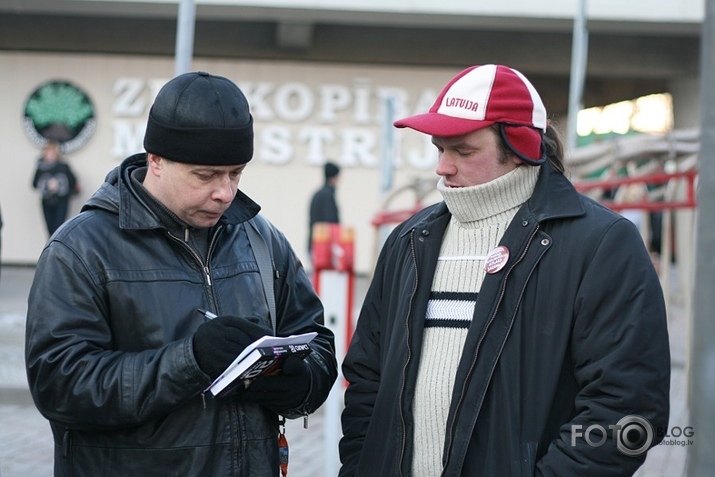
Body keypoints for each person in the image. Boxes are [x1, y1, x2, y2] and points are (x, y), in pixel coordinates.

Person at [339, 64, 670, 476]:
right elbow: (366, 380)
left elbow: (626, 406)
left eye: (463, 151)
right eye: (439, 149)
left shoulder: (602, 245)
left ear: (520, 148)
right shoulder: (409, 240)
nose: (443, 167)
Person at [25, 71, 338, 476]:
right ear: (155, 160)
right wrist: (189, 360)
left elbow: (317, 342)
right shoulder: (80, 249)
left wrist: (301, 382)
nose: (225, 192)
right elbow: (59, 385)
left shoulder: (261, 238)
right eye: (205, 176)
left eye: (236, 172)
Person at [32, 140, 80, 236]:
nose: (50, 155)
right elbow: (34, 184)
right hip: (47, 202)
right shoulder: (41, 167)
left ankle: (57, 249)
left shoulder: (63, 167)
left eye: (52, 153)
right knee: (50, 230)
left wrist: (59, 184)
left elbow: (73, 182)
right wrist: (47, 185)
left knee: (59, 229)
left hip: (61, 202)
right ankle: (51, 250)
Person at [308, 161, 340, 255]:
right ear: (333, 178)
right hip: (324, 247)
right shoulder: (328, 196)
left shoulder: (317, 195)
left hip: (315, 243)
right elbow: (331, 222)